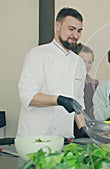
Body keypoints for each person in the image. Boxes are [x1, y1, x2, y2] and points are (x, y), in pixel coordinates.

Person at [17, 8, 86, 138]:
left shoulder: (79, 63)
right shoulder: (37, 55)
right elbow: (28, 96)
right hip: (35, 136)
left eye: (79, 31)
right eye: (71, 29)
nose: (75, 35)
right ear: (58, 26)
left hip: (64, 136)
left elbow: (77, 102)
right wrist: (59, 100)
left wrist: (83, 128)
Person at [71, 43, 99, 138]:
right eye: (83, 61)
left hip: (87, 131)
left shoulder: (94, 84)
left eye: (90, 62)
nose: (86, 66)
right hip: (68, 130)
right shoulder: (66, 83)